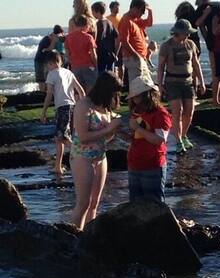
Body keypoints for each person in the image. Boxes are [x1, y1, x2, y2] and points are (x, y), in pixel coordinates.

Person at [69, 71, 123, 229]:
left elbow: (105, 138)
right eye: (113, 93)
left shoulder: (104, 107)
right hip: (82, 157)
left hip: (100, 156)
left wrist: (115, 131)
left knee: (94, 203)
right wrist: (109, 129)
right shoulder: (83, 105)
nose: (115, 97)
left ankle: (89, 234)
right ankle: (74, 236)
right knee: (83, 203)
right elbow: (84, 136)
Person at [158, 19, 206, 152]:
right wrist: (160, 84)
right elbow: (161, 66)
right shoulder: (166, 46)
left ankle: (184, 135)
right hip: (172, 82)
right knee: (177, 111)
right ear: (178, 32)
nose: (188, 35)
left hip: (188, 82)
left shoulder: (190, 44)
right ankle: (178, 140)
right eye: (186, 33)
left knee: (189, 111)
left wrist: (201, 82)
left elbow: (196, 64)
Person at [42, 52, 87, 178]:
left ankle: (84, 157)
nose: (47, 68)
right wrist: (83, 107)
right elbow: (81, 91)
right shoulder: (68, 72)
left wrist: (44, 111)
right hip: (72, 107)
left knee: (63, 138)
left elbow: (49, 94)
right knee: (60, 138)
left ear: (51, 63)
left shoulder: (52, 74)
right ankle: (58, 167)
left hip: (62, 108)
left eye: (47, 65)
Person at [127, 76, 173, 202]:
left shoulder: (160, 114)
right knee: (135, 205)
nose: (134, 100)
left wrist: (137, 128)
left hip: (152, 164)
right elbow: (136, 137)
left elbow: (159, 139)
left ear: (146, 95)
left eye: (136, 97)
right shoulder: (136, 111)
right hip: (134, 163)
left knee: (153, 205)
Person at [118, 0, 154, 83]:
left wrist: (150, 11)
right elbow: (124, 41)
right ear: (134, 8)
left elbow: (149, 23)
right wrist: (137, 56)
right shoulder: (126, 21)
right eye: (141, 11)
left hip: (139, 59)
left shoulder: (136, 20)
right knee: (137, 86)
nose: (141, 14)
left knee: (144, 85)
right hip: (133, 59)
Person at [67, 15, 100, 89]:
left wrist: (71, 63)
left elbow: (67, 53)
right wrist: (96, 65)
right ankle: (88, 100)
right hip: (88, 65)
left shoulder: (69, 37)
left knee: (79, 89)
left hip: (75, 66)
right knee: (91, 88)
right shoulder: (88, 37)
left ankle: (80, 101)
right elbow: (93, 54)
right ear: (86, 25)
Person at [92, 2, 121, 76]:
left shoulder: (98, 24)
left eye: (93, 11)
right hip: (110, 55)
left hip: (101, 56)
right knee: (111, 78)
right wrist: (115, 52)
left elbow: (94, 40)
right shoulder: (110, 23)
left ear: (97, 11)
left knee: (102, 79)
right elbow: (118, 39)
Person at [36, 27, 67, 92]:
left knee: (48, 78)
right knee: (42, 80)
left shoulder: (52, 38)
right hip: (40, 61)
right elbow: (50, 48)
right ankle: (43, 94)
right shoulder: (47, 39)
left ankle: (48, 94)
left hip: (46, 62)